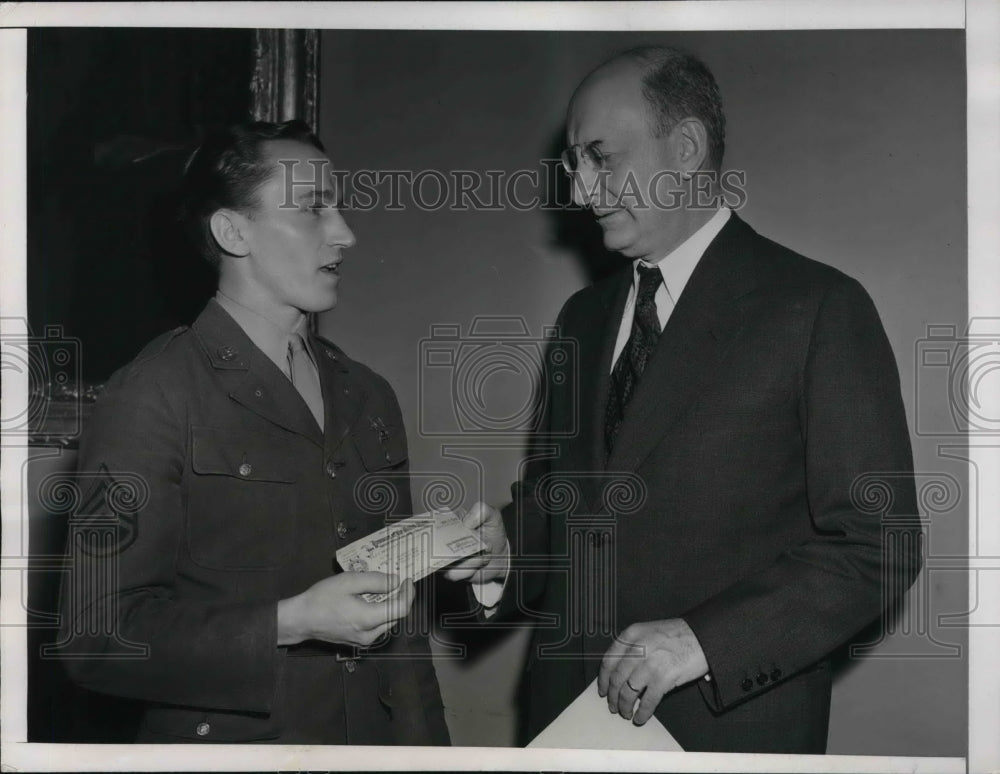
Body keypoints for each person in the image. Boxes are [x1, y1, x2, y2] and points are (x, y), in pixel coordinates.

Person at [445, 46, 923, 753]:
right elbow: (568, 503)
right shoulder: (582, 317)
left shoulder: (818, 307)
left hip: (722, 736)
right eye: (574, 164)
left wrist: (706, 641)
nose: (580, 192)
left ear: (688, 147)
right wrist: (509, 548)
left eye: (600, 157)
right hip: (562, 727)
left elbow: (879, 544)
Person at [57, 120, 449, 745]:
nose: (345, 233)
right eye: (313, 209)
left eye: (339, 206)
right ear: (232, 232)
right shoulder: (153, 393)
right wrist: (287, 623)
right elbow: (99, 638)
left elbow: (403, 637)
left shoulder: (368, 394)